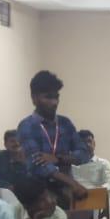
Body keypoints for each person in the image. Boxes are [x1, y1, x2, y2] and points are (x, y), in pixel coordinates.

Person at [15, 70, 90, 205]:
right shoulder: (27, 126)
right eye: (48, 97)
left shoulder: (65, 123)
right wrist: (72, 183)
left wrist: (59, 158)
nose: (54, 102)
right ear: (34, 98)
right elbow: (37, 165)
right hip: (38, 196)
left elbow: (84, 153)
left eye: (56, 97)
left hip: (67, 192)